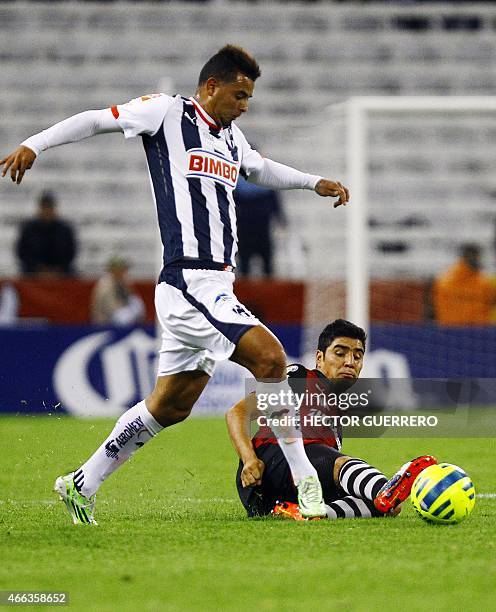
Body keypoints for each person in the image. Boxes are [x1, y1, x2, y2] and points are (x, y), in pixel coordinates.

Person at [1, 45, 350, 525]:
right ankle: (307, 484)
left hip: (213, 285)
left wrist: (314, 182)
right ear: (211, 86)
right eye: (239, 94)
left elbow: (261, 168)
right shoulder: (166, 112)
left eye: (249, 97)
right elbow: (96, 119)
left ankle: (82, 483)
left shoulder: (231, 138)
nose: (244, 105)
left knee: (170, 405)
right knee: (271, 359)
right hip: (190, 279)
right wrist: (34, 144)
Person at [227, 319, 437, 520]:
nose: (349, 362)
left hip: (275, 500)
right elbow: (238, 413)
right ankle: (386, 487)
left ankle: (309, 513)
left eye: (357, 356)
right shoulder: (300, 377)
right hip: (270, 468)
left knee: (387, 507)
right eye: (340, 353)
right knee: (341, 465)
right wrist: (249, 459)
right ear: (319, 358)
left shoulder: (335, 408)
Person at [16, 190, 77, 277]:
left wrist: (57, 269)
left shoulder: (65, 230)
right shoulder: (28, 229)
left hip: (60, 272)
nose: (47, 210)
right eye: (45, 207)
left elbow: (70, 253)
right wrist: (38, 269)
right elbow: (22, 253)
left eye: (49, 207)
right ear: (40, 208)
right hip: (33, 272)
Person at [432, 243, 496, 325]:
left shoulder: (484, 282)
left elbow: (489, 305)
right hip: (453, 330)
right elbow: (438, 308)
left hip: (477, 331)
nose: (476, 260)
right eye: (473, 257)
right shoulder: (445, 282)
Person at [234, 173, 285, 277]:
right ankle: (246, 285)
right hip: (246, 224)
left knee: (265, 259)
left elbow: (274, 201)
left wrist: (280, 218)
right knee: (245, 259)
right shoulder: (238, 180)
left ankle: (268, 286)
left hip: (259, 224)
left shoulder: (265, 179)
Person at [91, 256, 145, 326]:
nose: (124, 271)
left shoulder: (121, 281)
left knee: (136, 302)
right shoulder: (105, 283)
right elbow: (111, 306)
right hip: (105, 319)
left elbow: (130, 298)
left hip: (117, 313)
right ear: (114, 270)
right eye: (121, 269)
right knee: (124, 316)